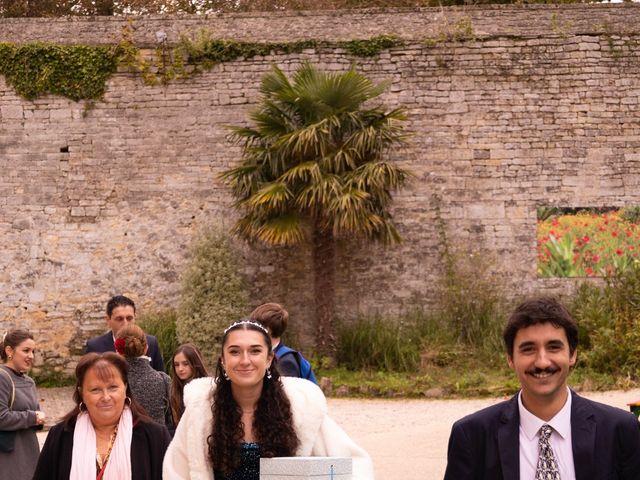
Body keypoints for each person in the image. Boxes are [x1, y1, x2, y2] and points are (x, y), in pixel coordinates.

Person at [444, 296, 640, 480]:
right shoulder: (471, 436)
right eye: (528, 349)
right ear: (511, 359)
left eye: (554, 347)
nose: (542, 362)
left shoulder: (620, 430)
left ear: (572, 355)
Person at [163, 320, 373, 480]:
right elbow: (176, 471)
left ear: (269, 359)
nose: (245, 360)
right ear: (223, 361)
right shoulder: (201, 412)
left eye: (255, 351)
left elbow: (355, 465)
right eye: (235, 352)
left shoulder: (301, 409)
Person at [33, 352, 171, 480]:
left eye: (113, 388)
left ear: (125, 389)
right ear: (82, 394)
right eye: (95, 390)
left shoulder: (155, 436)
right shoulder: (60, 436)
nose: (106, 397)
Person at [0, 329, 46, 480]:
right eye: (26, 350)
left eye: (33, 351)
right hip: (9, 456)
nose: (31, 356)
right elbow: (1, 417)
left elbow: (36, 413)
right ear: (9, 351)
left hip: (29, 451)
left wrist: (38, 419)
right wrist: (32, 417)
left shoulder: (29, 381)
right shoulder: (2, 377)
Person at [85, 295, 165, 371]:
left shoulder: (150, 342)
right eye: (119, 319)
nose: (125, 323)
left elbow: (160, 376)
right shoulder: (95, 347)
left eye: (129, 318)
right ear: (108, 320)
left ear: (135, 317)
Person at [115, 324, 172, 427]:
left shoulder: (113, 382)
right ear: (146, 348)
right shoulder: (162, 380)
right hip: (157, 441)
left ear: (118, 351)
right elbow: (171, 420)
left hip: (122, 441)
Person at [250, 303, 317, 383]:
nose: (251, 331)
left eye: (255, 326)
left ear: (268, 330)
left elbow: (287, 394)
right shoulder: (276, 354)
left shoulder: (285, 361)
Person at [169, 343, 209, 428]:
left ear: (195, 363)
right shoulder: (174, 390)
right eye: (176, 365)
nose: (180, 369)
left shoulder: (207, 388)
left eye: (185, 364)